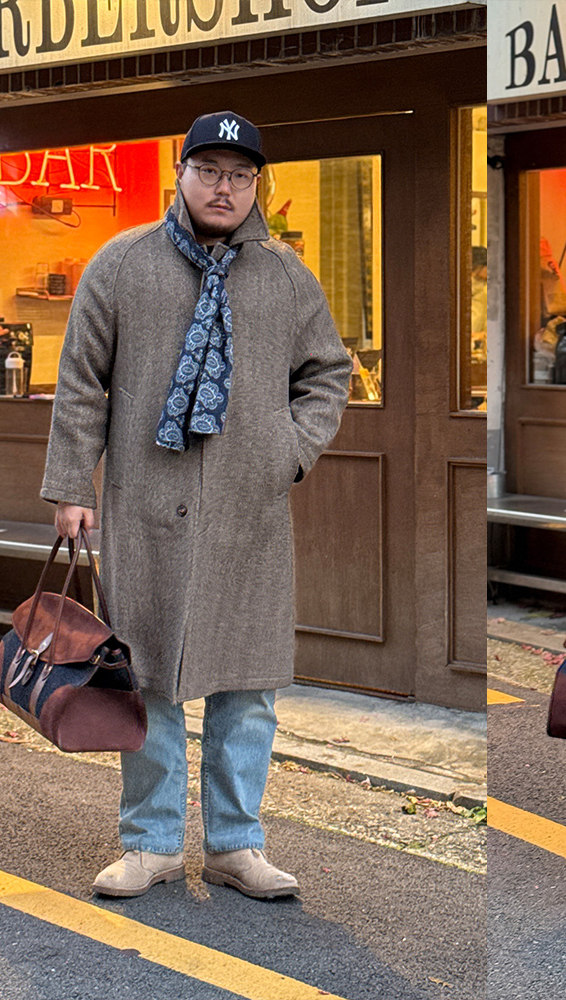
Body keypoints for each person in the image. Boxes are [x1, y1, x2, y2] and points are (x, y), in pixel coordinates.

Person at [41, 111, 351, 899]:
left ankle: (236, 845)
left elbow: (328, 374)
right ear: (179, 176)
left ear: (258, 186)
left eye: (240, 175)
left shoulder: (286, 276)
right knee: (146, 680)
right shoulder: (123, 264)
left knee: (247, 690)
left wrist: (289, 449)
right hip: (147, 509)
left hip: (250, 516)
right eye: (209, 171)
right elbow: (80, 380)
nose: (225, 187)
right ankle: (149, 844)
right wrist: (73, 487)